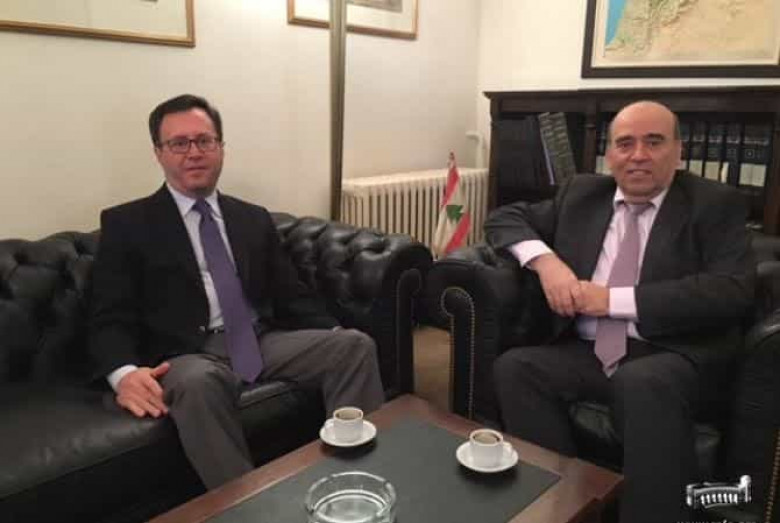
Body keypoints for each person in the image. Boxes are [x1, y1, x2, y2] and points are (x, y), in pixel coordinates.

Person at [88, 94, 384, 489]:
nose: (194, 152)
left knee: (354, 346)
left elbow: (290, 292)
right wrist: (123, 374)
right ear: (159, 153)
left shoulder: (251, 217)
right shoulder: (127, 224)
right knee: (198, 383)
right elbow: (108, 314)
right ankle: (246, 506)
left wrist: (330, 332)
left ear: (221, 148)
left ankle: (357, 483)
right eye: (179, 143)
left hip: (257, 338)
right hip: (185, 354)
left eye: (204, 140)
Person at [485, 101, 754, 523]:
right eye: (625, 144)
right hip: (588, 351)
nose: (638, 155)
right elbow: (504, 219)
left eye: (654, 142)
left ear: (678, 151)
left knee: (640, 381)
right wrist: (547, 263)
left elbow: (731, 290)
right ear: (609, 155)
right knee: (516, 368)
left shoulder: (714, 204)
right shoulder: (582, 194)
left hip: (671, 352)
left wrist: (610, 300)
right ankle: (566, 506)